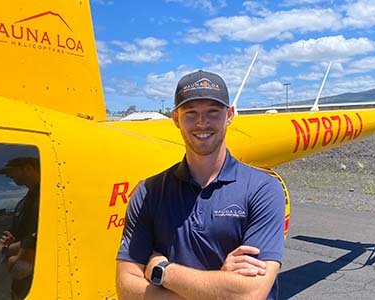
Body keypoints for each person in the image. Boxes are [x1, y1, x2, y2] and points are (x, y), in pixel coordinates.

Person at [116, 70, 286, 299]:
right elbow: (126, 287)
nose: (201, 123)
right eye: (190, 113)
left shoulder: (263, 189)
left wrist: (163, 271)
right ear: (176, 118)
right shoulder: (149, 191)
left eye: (213, 112)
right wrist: (220, 286)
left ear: (230, 115)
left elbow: (249, 293)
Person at [0, 157, 40, 300]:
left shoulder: (50, 198)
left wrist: (3, 251)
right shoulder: (23, 204)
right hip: (19, 288)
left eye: (9, 171)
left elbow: (19, 269)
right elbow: (12, 233)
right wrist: (5, 243)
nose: (7, 176)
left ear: (28, 168)